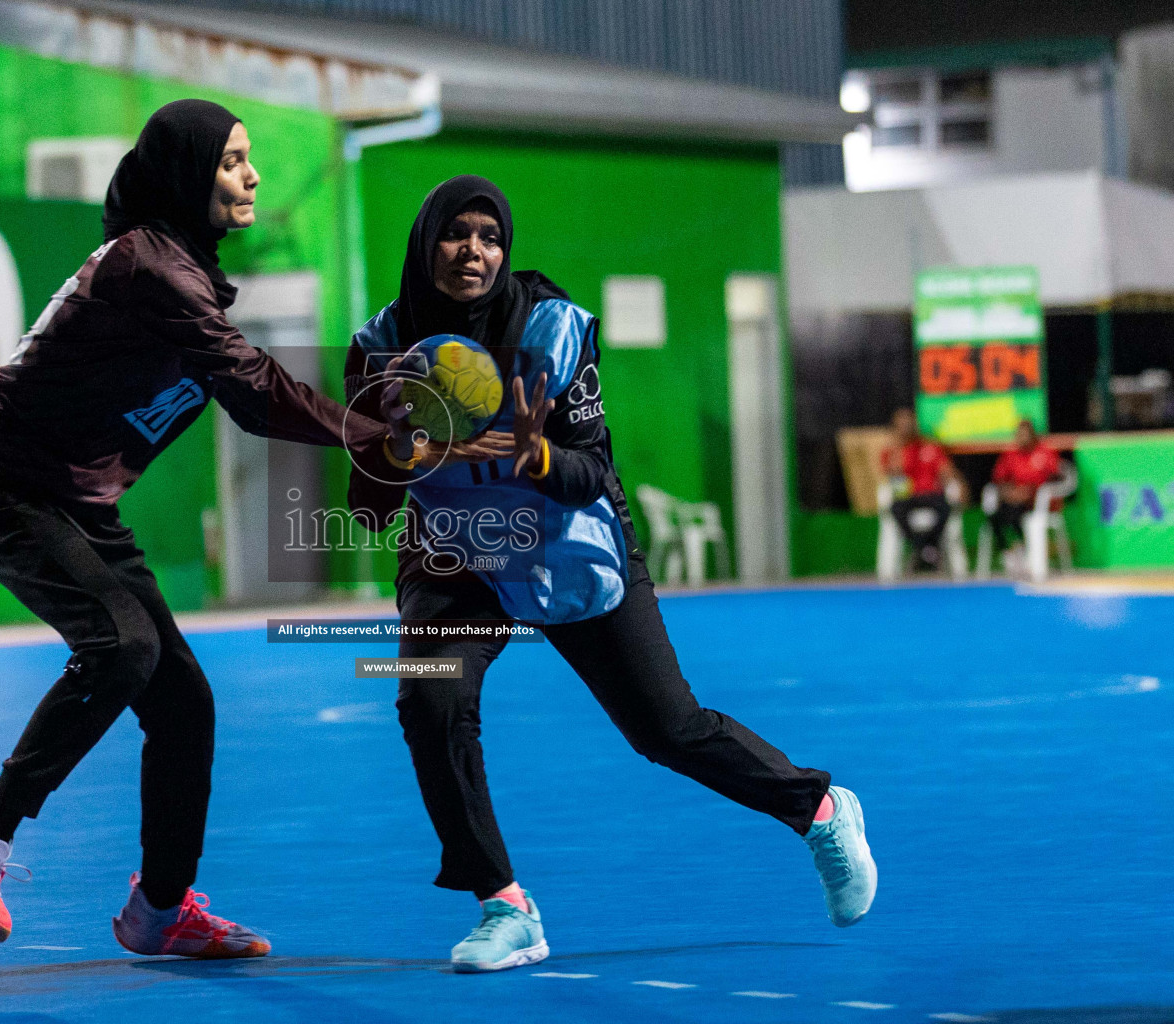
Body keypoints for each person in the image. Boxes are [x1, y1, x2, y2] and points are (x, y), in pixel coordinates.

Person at [343, 176, 877, 973]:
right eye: (458, 234)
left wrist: (540, 455)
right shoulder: (380, 348)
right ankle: (504, 906)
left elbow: (592, 469)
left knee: (667, 729)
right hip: (453, 554)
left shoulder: (551, 330)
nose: (474, 252)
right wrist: (396, 449)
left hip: (568, 536)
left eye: (490, 237)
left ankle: (821, 809)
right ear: (427, 244)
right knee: (429, 697)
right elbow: (368, 506)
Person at [0, 99, 393, 958]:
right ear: (186, 174)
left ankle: (160, 912)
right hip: (1, 483)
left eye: (250, 160)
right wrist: (378, 436)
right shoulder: (151, 271)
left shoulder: (189, 274)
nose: (251, 177)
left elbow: (245, 395)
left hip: (77, 499)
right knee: (122, 649)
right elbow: (254, 391)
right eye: (231, 162)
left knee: (182, 701)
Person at [881, 408, 966, 571]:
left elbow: (947, 471)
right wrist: (900, 446)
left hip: (932, 495)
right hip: (908, 496)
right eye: (902, 424)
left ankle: (923, 548)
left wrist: (959, 484)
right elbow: (894, 474)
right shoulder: (892, 451)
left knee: (946, 507)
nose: (906, 426)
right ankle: (927, 548)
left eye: (909, 422)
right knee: (896, 508)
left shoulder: (930, 447)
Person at [989, 419, 1061, 567]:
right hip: (1015, 499)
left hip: (1039, 501)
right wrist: (1009, 492)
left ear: (1032, 435)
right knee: (995, 516)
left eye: (1024, 434)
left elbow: (1056, 477)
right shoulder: (1011, 455)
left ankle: (1025, 549)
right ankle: (1009, 552)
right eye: (1018, 434)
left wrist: (1032, 490)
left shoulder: (1045, 452)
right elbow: (999, 479)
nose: (1021, 438)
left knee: (1016, 512)